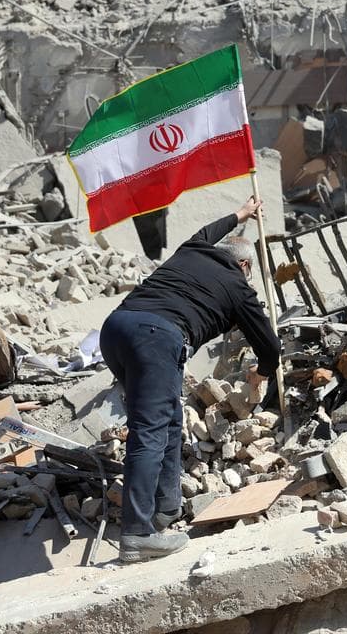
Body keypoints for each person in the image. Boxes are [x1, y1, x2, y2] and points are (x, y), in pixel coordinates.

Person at [101, 196, 282, 563]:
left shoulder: (195, 248)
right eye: (248, 271)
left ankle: (165, 508)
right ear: (244, 265)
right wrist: (259, 373)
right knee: (149, 430)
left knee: (168, 417)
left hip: (116, 328)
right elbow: (271, 347)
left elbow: (210, 230)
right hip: (156, 338)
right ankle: (137, 537)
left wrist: (241, 214)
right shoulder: (238, 286)